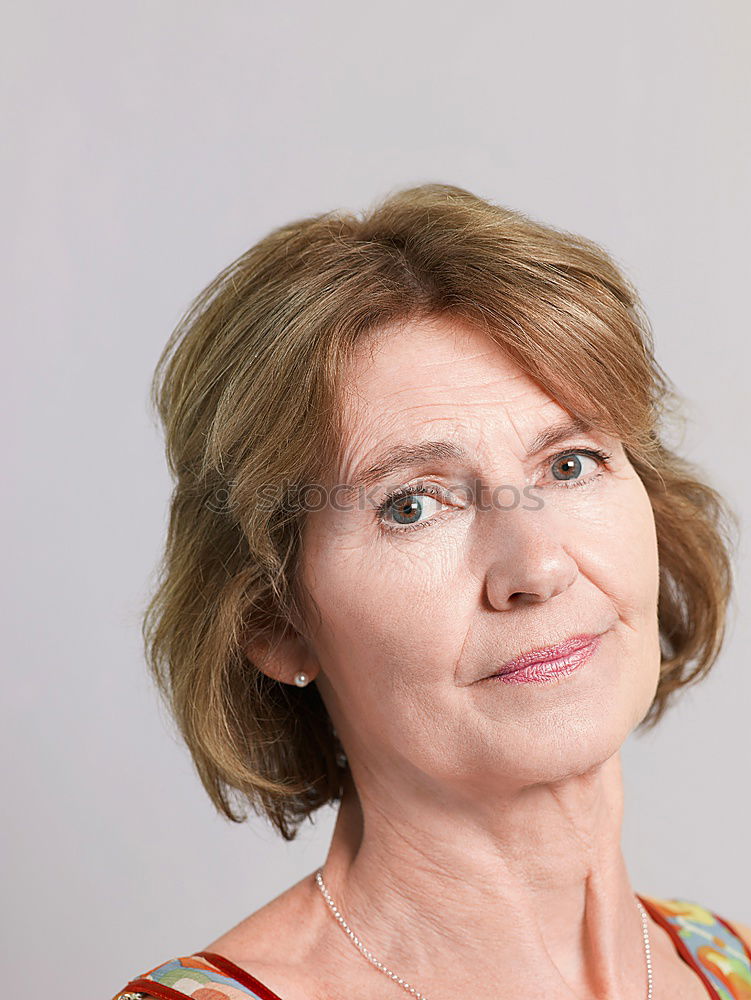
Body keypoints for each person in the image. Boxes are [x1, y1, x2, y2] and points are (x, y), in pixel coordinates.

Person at [113, 184, 750, 1000]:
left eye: (568, 464)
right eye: (410, 505)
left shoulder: (722, 961)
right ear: (274, 620)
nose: (537, 568)